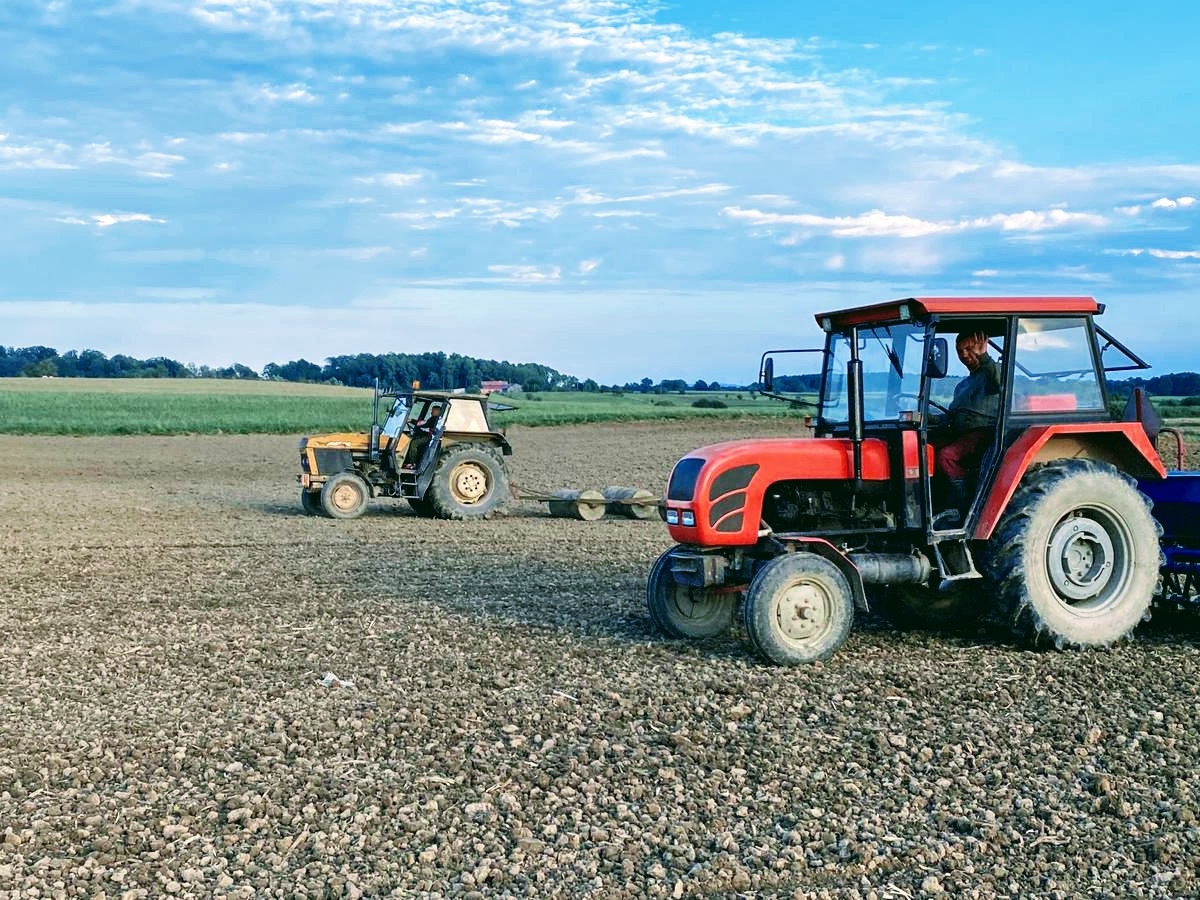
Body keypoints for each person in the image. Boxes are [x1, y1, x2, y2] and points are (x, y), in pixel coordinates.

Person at [933, 331, 1001, 517]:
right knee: (923, 449)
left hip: (984, 432)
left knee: (947, 455)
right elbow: (953, 416)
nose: (964, 354)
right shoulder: (962, 385)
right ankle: (933, 503)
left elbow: (1000, 382)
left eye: (969, 349)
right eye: (960, 350)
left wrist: (984, 357)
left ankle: (964, 503)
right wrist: (934, 419)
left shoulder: (994, 373)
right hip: (960, 432)